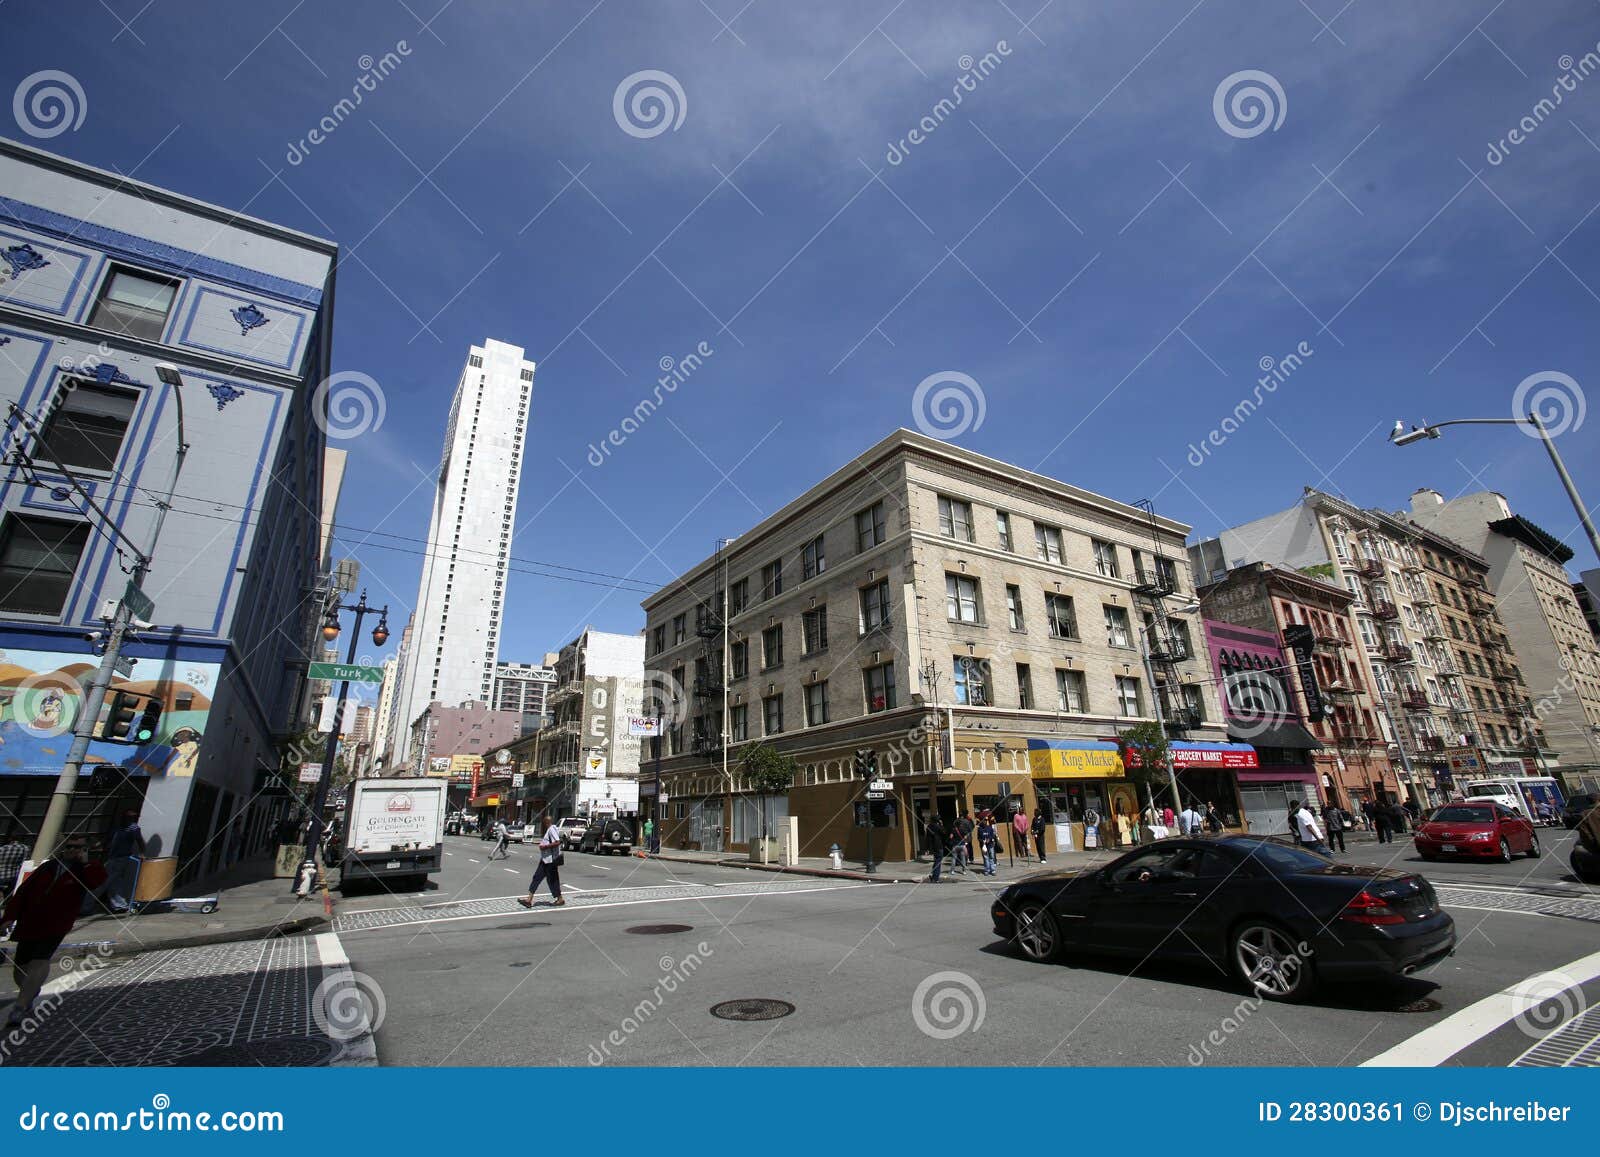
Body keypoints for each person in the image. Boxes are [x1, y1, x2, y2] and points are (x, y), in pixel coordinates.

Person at [3, 836, 106, 1029]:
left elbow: (95, 882)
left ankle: (20, 1005)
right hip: (30, 921)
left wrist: (84, 863)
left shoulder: (87, 869)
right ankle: (30, 991)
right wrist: (9, 917)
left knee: (40, 960)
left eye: (78, 847)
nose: (72, 850)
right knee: (21, 966)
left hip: (57, 922)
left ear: (85, 850)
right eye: (69, 846)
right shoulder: (48, 867)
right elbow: (24, 892)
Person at [516, 813, 565, 907]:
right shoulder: (553, 829)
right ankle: (530, 899)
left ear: (546, 822)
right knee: (544, 878)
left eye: (544, 823)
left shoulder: (551, 830)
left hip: (549, 860)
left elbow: (557, 842)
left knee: (546, 879)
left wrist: (545, 846)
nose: (543, 824)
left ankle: (558, 899)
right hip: (546, 859)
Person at [100, 811, 144, 915]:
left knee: (106, 880)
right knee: (115, 882)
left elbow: (140, 840)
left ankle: (87, 905)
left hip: (121, 857)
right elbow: (110, 840)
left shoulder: (133, 827)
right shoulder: (118, 828)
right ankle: (120, 904)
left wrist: (142, 854)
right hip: (113, 857)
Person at [0, 836, 28, 901]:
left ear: (10, 840)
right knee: (9, 893)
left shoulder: (2, 848)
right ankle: (6, 904)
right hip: (14, 876)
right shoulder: (24, 848)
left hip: (1, 875)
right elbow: (25, 861)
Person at [924, 813, 949, 883]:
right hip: (939, 846)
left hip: (933, 846)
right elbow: (944, 832)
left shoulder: (929, 826)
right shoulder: (938, 827)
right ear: (937, 820)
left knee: (936, 861)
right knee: (938, 862)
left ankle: (933, 875)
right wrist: (941, 825)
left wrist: (927, 848)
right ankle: (936, 878)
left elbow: (927, 838)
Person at [976, 812, 998, 876]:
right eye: (983, 821)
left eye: (985, 820)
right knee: (986, 858)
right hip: (983, 846)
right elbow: (978, 838)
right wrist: (982, 841)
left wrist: (990, 839)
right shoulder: (979, 829)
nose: (984, 822)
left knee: (991, 857)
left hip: (990, 845)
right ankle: (987, 870)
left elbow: (992, 835)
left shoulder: (990, 828)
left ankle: (993, 870)